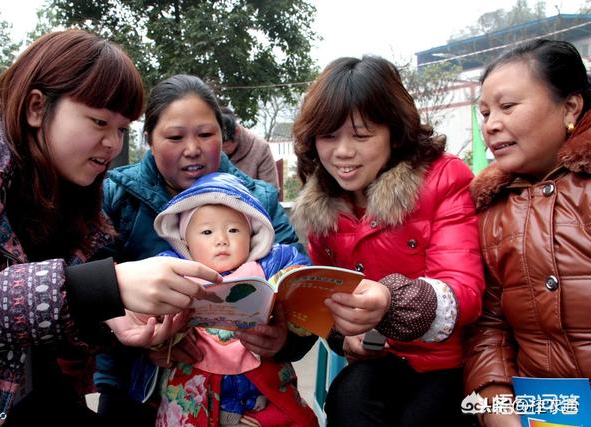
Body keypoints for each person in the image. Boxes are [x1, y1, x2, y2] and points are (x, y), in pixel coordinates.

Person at [0, 30, 221, 426]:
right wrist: (97, 288)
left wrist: (115, 317)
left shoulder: (73, 189)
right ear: (37, 108)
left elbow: (66, 315)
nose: (112, 143)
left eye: (122, 128)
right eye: (99, 122)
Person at [95, 74, 311, 424]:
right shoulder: (115, 197)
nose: (192, 148)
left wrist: (283, 341)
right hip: (133, 386)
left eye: (206, 134)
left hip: (245, 387)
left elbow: (301, 289)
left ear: (224, 137)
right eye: (175, 136)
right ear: (149, 139)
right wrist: (145, 345)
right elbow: (85, 293)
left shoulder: (258, 200)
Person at [291, 55, 485, 426]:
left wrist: (389, 301)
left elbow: (464, 289)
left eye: (361, 136)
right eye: (328, 136)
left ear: (394, 133)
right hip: (378, 359)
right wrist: (344, 336)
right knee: (347, 399)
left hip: (446, 360)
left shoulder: (443, 179)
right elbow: (328, 302)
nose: (343, 152)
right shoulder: (322, 208)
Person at [464, 39, 591, 427]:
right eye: (485, 112)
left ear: (569, 106)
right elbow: (488, 328)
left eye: (508, 106)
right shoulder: (489, 210)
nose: (491, 124)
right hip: (547, 412)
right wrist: (494, 405)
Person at [142, 171, 317, 426]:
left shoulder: (269, 266)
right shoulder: (172, 271)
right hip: (194, 378)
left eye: (234, 229)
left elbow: (299, 272)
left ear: (251, 234)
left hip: (261, 377)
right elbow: (145, 309)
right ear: (185, 241)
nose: (222, 240)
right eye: (206, 232)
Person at [221, 107, 280, 188]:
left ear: (236, 132)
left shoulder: (261, 148)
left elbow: (270, 192)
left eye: (224, 146)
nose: (220, 151)